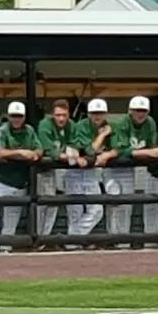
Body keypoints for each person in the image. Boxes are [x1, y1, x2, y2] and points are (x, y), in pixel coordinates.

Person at [103, 97, 158, 248]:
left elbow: (154, 147)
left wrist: (147, 152)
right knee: (115, 202)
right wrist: (149, 152)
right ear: (130, 111)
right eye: (137, 110)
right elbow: (123, 150)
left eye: (143, 110)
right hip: (113, 168)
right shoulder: (121, 123)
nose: (140, 114)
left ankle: (123, 241)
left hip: (129, 170)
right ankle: (113, 239)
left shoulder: (150, 123)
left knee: (127, 205)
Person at [0, 102, 42, 252]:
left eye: (19, 116)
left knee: (11, 218)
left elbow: (39, 148)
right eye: (13, 116)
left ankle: (4, 247)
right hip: (0, 180)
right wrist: (21, 153)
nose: (16, 119)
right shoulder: (2, 131)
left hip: (19, 181)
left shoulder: (29, 130)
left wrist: (35, 154)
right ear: (9, 117)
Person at [64, 98, 110, 249]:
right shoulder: (81, 126)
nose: (98, 116)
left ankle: (72, 240)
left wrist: (106, 155)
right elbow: (90, 150)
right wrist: (102, 136)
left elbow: (117, 148)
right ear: (89, 114)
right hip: (75, 173)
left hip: (91, 173)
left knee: (96, 211)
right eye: (94, 113)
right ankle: (74, 245)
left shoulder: (108, 126)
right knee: (75, 212)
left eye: (101, 113)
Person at [35, 100, 73, 243]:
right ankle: (37, 237)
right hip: (45, 170)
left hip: (62, 170)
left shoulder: (71, 126)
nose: (61, 118)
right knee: (42, 204)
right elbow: (48, 149)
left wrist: (71, 153)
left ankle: (46, 238)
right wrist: (66, 155)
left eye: (64, 115)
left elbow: (76, 143)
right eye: (58, 115)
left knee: (54, 204)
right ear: (52, 115)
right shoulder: (45, 124)